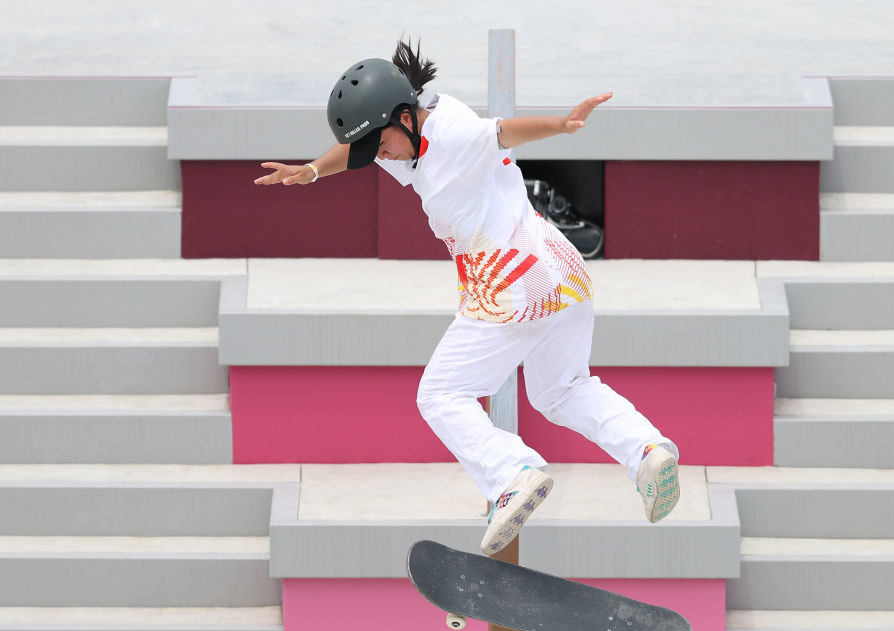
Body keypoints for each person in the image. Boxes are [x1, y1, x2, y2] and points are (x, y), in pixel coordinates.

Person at [254, 38, 680, 554]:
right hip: (563, 271)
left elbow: (500, 134)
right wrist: (314, 169)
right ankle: (648, 450)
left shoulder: (454, 133)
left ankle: (512, 475)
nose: (380, 158)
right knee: (562, 390)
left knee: (439, 396)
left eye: (382, 145)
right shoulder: (411, 128)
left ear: (405, 118)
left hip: (510, 284)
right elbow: (357, 148)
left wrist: (560, 126)